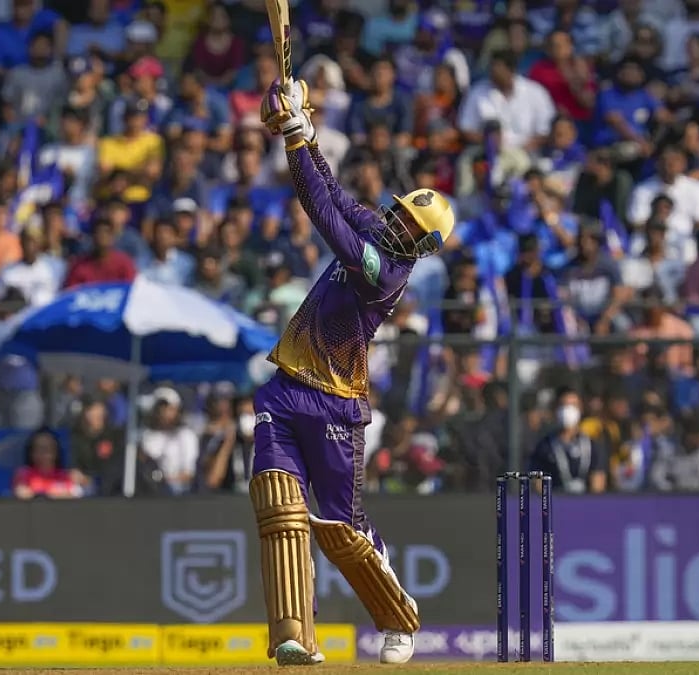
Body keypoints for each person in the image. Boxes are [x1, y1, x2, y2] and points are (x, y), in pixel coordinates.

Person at [250, 77, 456, 666]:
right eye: (400, 214)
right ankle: (294, 635)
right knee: (279, 506)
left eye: (410, 227)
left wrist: (295, 142)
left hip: (336, 404)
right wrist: (305, 131)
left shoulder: (383, 274)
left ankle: (398, 617)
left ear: (422, 247)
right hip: (285, 390)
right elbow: (335, 194)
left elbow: (320, 212)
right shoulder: (376, 232)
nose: (396, 224)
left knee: (341, 528)